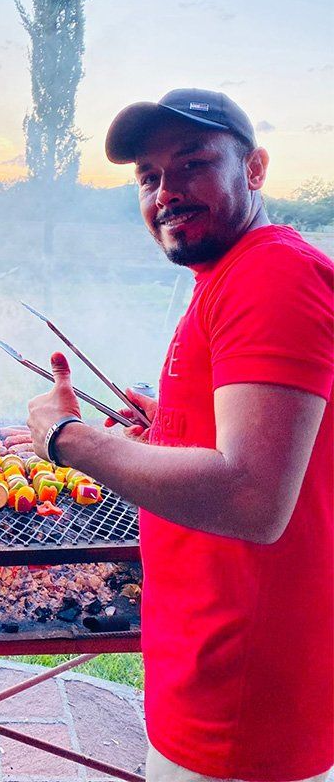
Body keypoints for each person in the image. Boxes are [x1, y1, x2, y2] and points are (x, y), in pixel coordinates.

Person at [26, 89, 333, 782]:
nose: (166, 192)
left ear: (254, 169)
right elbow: (268, 444)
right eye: (149, 177)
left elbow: (253, 497)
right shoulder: (232, 273)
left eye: (193, 164)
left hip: (242, 702)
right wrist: (168, 425)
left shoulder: (272, 274)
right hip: (216, 668)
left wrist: (69, 439)